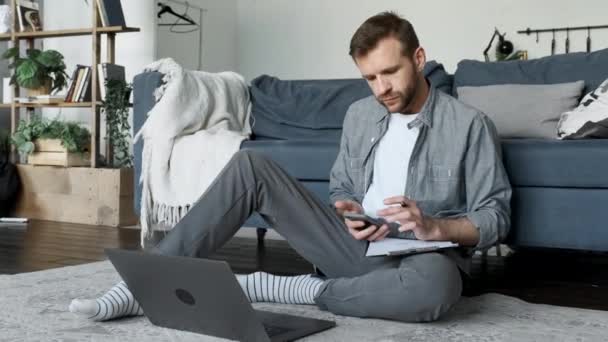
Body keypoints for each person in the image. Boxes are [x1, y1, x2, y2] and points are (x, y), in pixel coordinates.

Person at [69, 11, 511, 323]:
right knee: (251, 165)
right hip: (354, 248)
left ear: (418, 58)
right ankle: (141, 284)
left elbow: (496, 216)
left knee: (434, 292)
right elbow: (342, 185)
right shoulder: (361, 114)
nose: (381, 88)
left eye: (390, 73)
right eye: (370, 78)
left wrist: (434, 227)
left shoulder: (470, 125)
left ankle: (290, 289)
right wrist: (349, 209)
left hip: (424, 260)